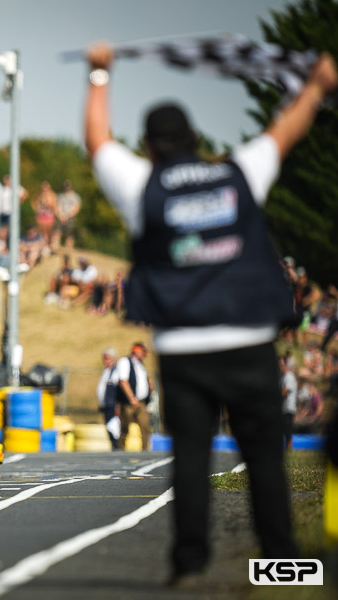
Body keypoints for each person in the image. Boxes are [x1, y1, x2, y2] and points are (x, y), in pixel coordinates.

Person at [84, 41, 337, 583]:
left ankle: (189, 565)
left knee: (192, 461)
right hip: (249, 342)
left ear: (149, 147)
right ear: (196, 140)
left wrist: (99, 75)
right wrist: (315, 87)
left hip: (184, 349)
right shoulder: (239, 173)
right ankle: (284, 566)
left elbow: (97, 142)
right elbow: (285, 131)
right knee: (265, 458)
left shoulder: (142, 186)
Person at [113, 342, 153, 451]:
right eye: (143, 352)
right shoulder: (125, 362)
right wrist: (131, 398)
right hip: (129, 402)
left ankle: (146, 450)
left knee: (145, 427)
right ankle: (120, 449)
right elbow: (123, 381)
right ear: (136, 351)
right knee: (125, 428)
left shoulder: (140, 365)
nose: (144, 355)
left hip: (141, 401)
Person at [96, 347, 120, 449]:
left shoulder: (116, 371)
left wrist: (118, 406)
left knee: (114, 428)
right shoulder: (106, 371)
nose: (105, 360)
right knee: (109, 427)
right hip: (106, 405)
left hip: (113, 405)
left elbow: (118, 390)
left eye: (107, 358)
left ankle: (117, 446)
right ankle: (113, 446)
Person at [279, 355, 298, 449]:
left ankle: (289, 448)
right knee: (285, 430)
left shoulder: (289, 376)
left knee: (288, 431)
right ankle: (287, 449)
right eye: (279, 365)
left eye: (282, 365)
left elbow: (286, 391)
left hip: (288, 408)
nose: (280, 367)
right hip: (284, 408)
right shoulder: (283, 377)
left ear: (286, 366)